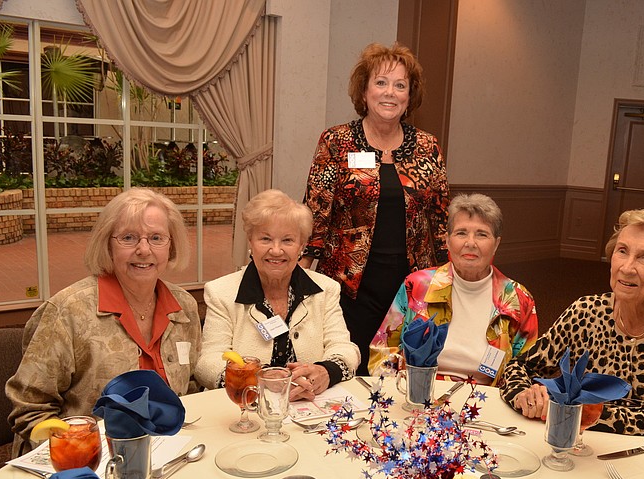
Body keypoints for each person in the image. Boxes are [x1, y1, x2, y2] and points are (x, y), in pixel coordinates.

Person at [6, 188, 200, 455]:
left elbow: (189, 388)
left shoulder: (184, 307)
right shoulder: (69, 311)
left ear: (171, 246)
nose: (144, 250)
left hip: (167, 454)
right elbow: (29, 408)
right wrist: (79, 450)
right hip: (85, 462)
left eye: (156, 238)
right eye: (129, 238)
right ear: (107, 244)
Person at [301, 42, 449, 374]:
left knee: (401, 371)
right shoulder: (336, 141)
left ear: (410, 96)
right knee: (345, 368)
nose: (390, 93)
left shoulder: (427, 146)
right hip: (349, 286)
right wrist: (302, 276)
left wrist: (448, 277)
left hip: (411, 285)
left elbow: (441, 219)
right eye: (381, 83)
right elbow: (316, 213)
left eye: (400, 85)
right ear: (364, 90)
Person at [501, 208, 644, 436]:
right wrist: (524, 394)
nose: (627, 268)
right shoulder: (586, 312)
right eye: (622, 251)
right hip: (583, 448)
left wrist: (592, 414)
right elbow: (518, 366)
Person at [197, 189, 359, 399]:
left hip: (310, 405)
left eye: (287, 241)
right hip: (248, 407)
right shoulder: (221, 292)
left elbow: (344, 348)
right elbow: (207, 363)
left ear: (301, 246)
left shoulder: (326, 289)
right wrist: (261, 378)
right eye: (265, 239)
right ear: (250, 242)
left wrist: (324, 371)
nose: (276, 250)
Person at [369, 193, 537, 385]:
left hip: (486, 401)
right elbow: (380, 353)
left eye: (482, 234)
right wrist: (405, 390)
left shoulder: (518, 298)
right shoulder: (417, 285)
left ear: (496, 244)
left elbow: (528, 371)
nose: (470, 243)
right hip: (418, 393)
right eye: (461, 233)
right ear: (448, 240)